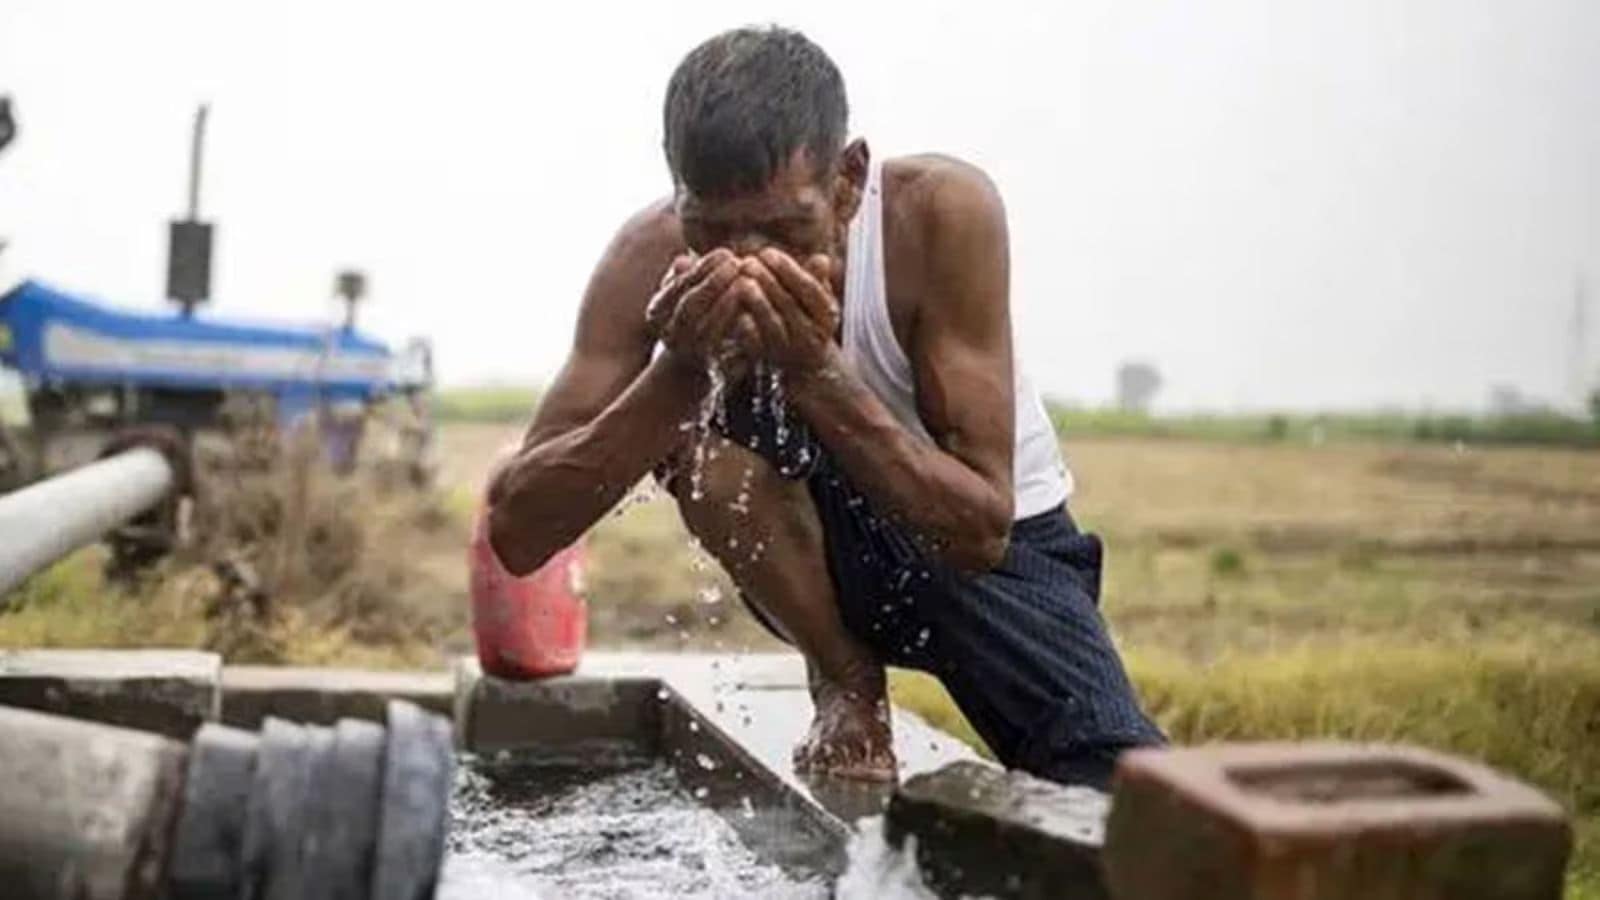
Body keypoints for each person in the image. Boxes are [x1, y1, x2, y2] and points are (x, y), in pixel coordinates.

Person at [487, 25, 1164, 787]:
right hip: (812, 561)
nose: (746, 261)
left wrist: (814, 370)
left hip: (990, 554)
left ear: (847, 179)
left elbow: (979, 530)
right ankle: (844, 678)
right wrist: (680, 372)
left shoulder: (939, 216)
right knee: (707, 453)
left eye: (785, 229)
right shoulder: (648, 258)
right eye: (710, 229)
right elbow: (518, 529)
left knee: (1114, 784)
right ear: (678, 193)